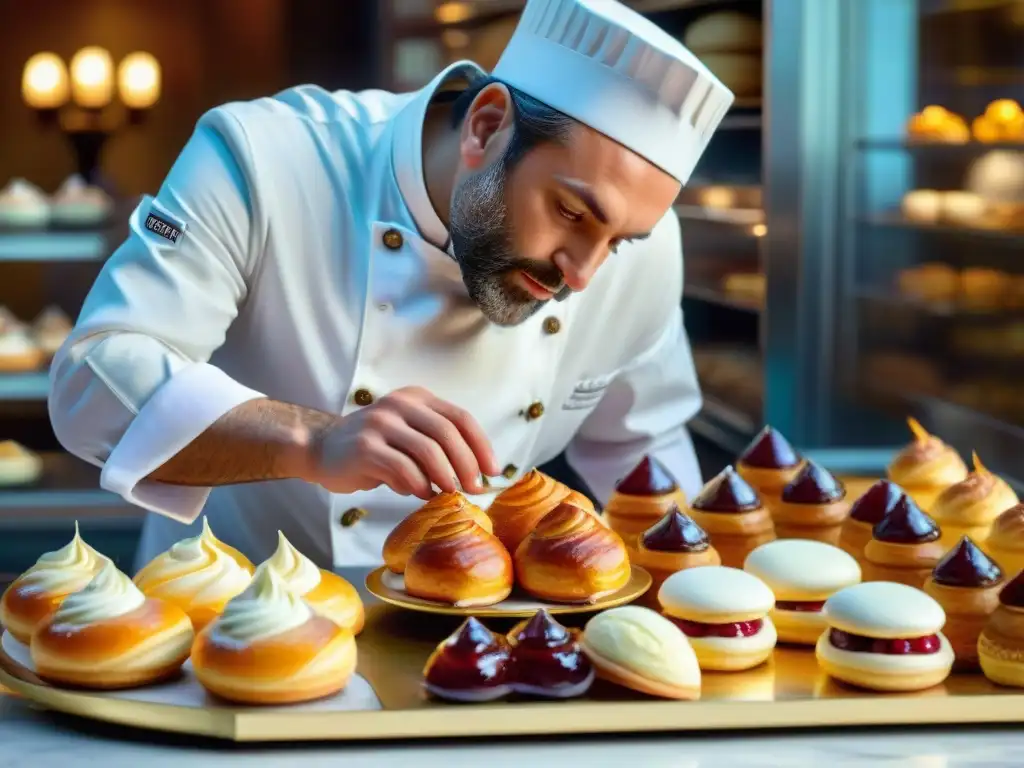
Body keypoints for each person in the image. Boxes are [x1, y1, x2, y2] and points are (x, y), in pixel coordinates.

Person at [48, 0, 734, 571]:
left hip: (478, 648)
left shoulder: (633, 250)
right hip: (228, 622)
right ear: (487, 126)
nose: (584, 274)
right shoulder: (267, 157)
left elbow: (637, 449)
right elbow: (93, 381)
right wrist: (311, 442)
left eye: (622, 240)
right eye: (570, 213)